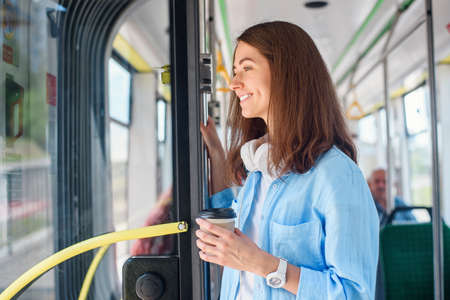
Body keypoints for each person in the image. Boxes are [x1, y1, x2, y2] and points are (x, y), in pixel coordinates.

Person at [196, 21, 379, 299]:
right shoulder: (259, 170)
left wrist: (261, 264)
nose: (234, 84)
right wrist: (216, 156)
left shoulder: (337, 176)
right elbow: (238, 228)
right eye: (235, 72)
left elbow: (354, 292)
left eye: (246, 68)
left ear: (285, 73)